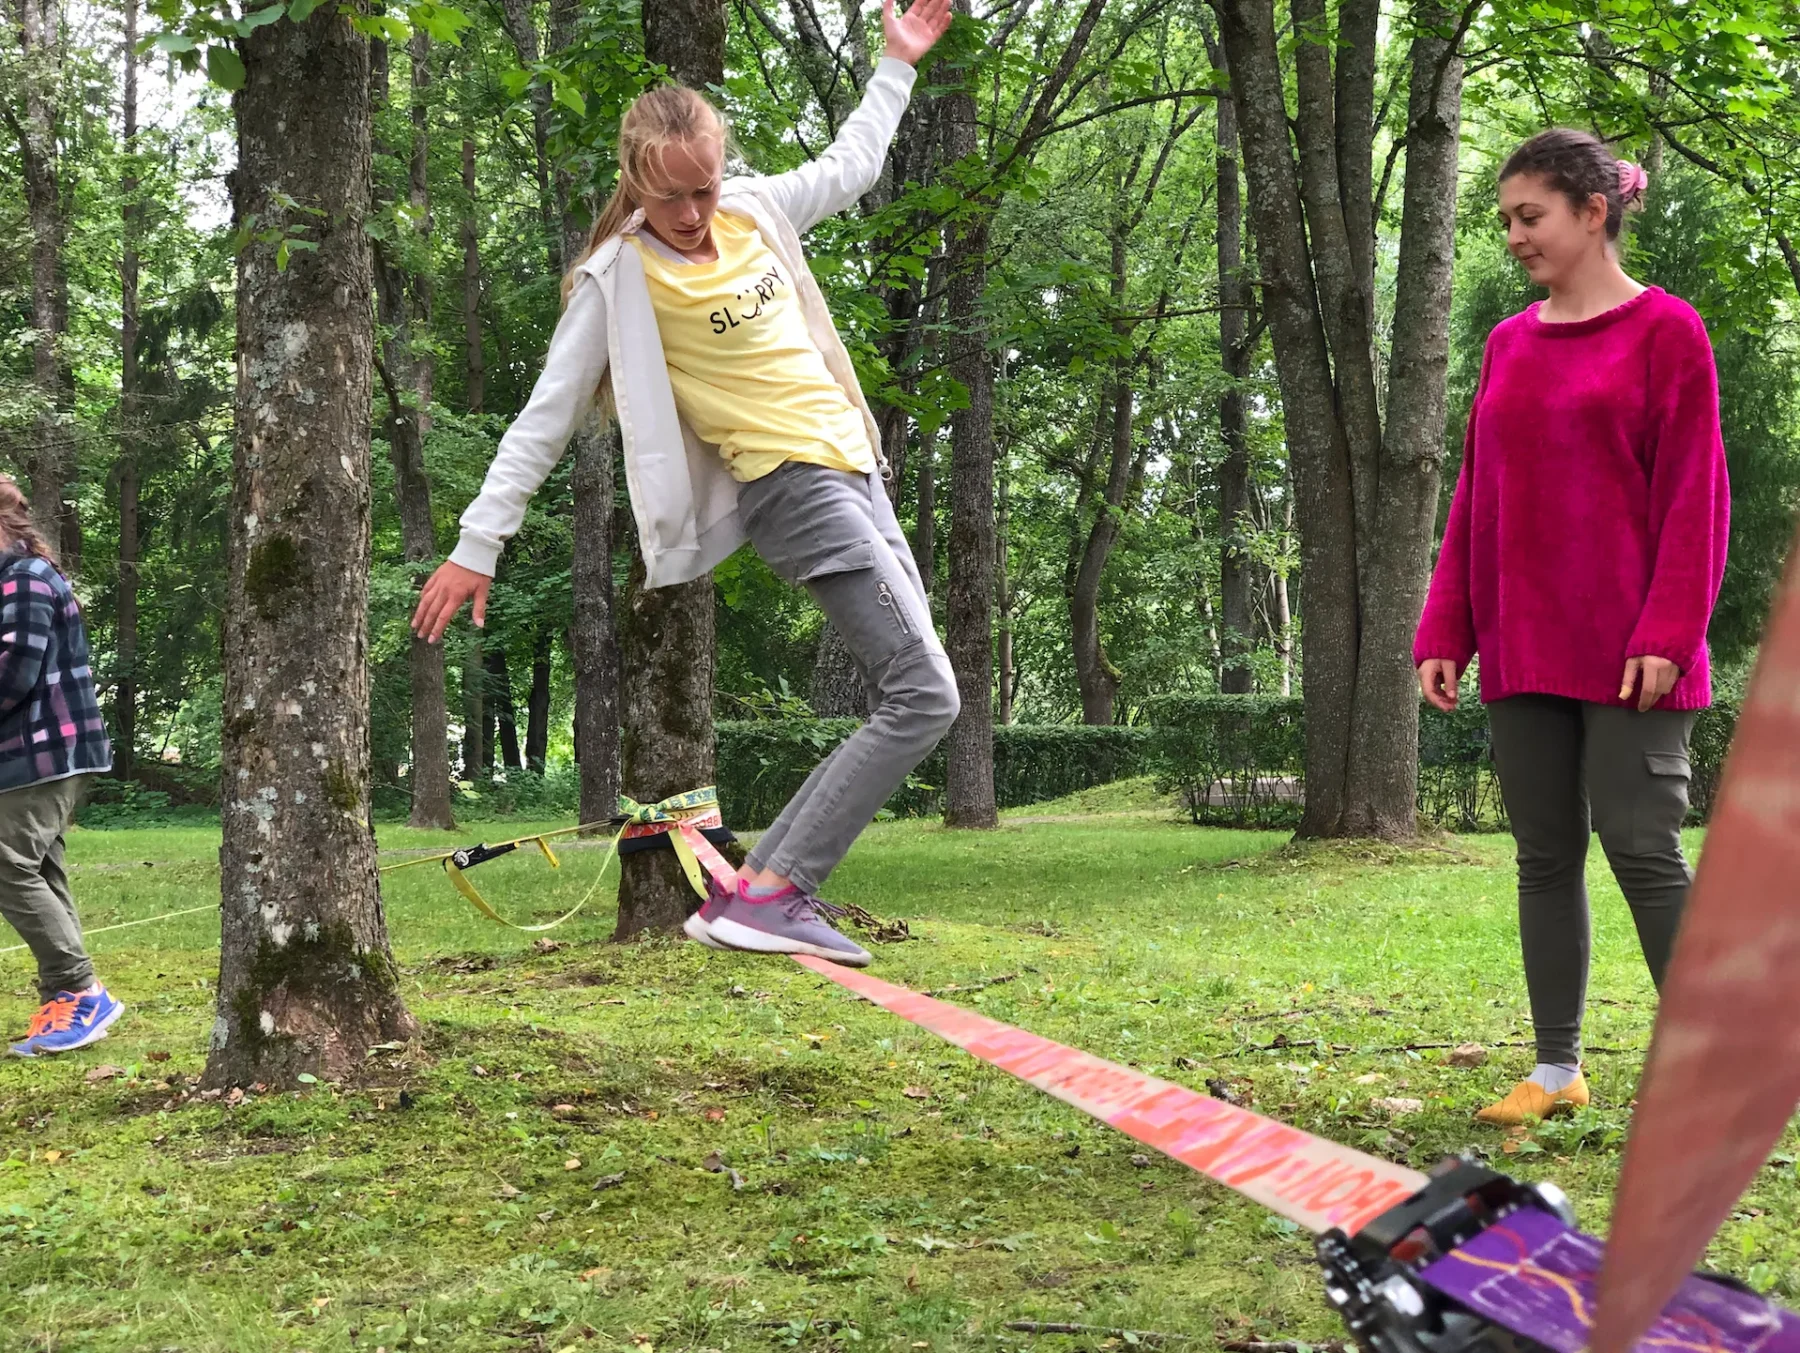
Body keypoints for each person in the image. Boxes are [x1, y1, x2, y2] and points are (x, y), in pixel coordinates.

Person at [411, 0, 955, 967]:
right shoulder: (619, 280)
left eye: (705, 187)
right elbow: (543, 417)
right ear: (636, 183)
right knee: (924, 694)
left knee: (921, 691)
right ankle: (780, 893)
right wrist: (476, 545)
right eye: (674, 199)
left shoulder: (751, 209)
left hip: (856, 469)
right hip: (791, 487)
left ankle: (752, 898)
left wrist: (896, 63)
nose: (697, 214)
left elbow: (850, 164)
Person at [1414, 130, 1730, 1126]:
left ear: (1594, 212)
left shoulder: (1668, 334)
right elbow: (1477, 497)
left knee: (1643, 848)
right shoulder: (1509, 342)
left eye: (1529, 216)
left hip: (1636, 650)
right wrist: (1446, 627)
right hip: (1524, 646)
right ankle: (1557, 1069)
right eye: (1506, 219)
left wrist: (1669, 630)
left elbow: (1696, 497)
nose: (1514, 237)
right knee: (1544, 855)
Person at [0, 477, 122, 1056]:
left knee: (6, 864)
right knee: (38, 869)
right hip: (26, 754)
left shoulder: (24, 578)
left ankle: (79, 988)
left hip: (44, 750)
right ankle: (67, 1000)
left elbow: (13, 675)